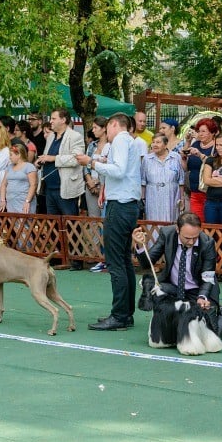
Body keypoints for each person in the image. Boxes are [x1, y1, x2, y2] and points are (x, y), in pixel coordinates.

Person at [76, 113, 143, 330]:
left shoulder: (121, 140)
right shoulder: (130, 141)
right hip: (127, 203)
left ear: (114, 125)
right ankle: (125, 313)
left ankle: (119, 315)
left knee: (115, 261)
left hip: (120, 205)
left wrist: (92, 163)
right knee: (123, 260)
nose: (106, 132)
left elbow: (119, 170)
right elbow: (120, 167)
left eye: (107, 128)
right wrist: (103, 162)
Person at [131, 213, 222, 338]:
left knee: (210, 336)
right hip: (173, 288)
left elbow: (208, 276)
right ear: (177, 229)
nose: (191, 241)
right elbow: (147, 264)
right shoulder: (166, 234)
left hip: (198, 290)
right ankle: (165, 323)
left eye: (195, 237)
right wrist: (139, 245)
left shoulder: (208, 243)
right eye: (187, 238)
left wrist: (202, 296)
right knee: (156, 290)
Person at [35, 108, 86, 218]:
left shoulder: (75, 136)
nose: (51, 121)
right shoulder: (51, 136)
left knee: (70, 225)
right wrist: (40, 161)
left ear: (63, 120)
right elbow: (47, 157)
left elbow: (76, 159)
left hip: (65, 189)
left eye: (54, 118)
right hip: (49, 189)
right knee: (53, 225)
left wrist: (53, 158)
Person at [142, 132, 186, 223]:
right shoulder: (147, 159)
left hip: (171, 195)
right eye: (153, 142)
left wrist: (182, 198)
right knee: (153, 221)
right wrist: (143, 199)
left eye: (158, 142)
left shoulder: (176, 157)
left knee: (170, 220)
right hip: (152, 195)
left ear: (165, 144)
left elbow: (181, 180)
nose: (154, 145)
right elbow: (143, 181)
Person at [181, 118, 218, 221]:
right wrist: (187, 144)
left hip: (209, 192)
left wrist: (199, 154)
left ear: (212, 133)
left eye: (203, 131)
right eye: (199, 131)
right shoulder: (195, 144)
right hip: (194, 191)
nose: (200, 134)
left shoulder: (216, 146)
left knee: (210, 223)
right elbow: (186, 167)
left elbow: (216, 166)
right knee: (197, 221)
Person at [1, 143, 38, 213]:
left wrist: (27, 201)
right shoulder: (9, 167)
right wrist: (3, 200)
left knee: (25, 223)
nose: (10, 157)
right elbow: (3, 184)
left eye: (11, 155)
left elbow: (33, 185)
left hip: (24, 201)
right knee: (13, 222)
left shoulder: (29, 166)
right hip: (11, 201)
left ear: (19, 154)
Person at [84, 116, 109, 219]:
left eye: (95, 127)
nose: (93, 130)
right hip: (91, 186)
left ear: (104, 128)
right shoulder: (92, 145)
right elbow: (86, 165)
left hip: (107, 187)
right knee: (93, 218)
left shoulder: (112, 145)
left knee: (106, 219)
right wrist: (90, 182)